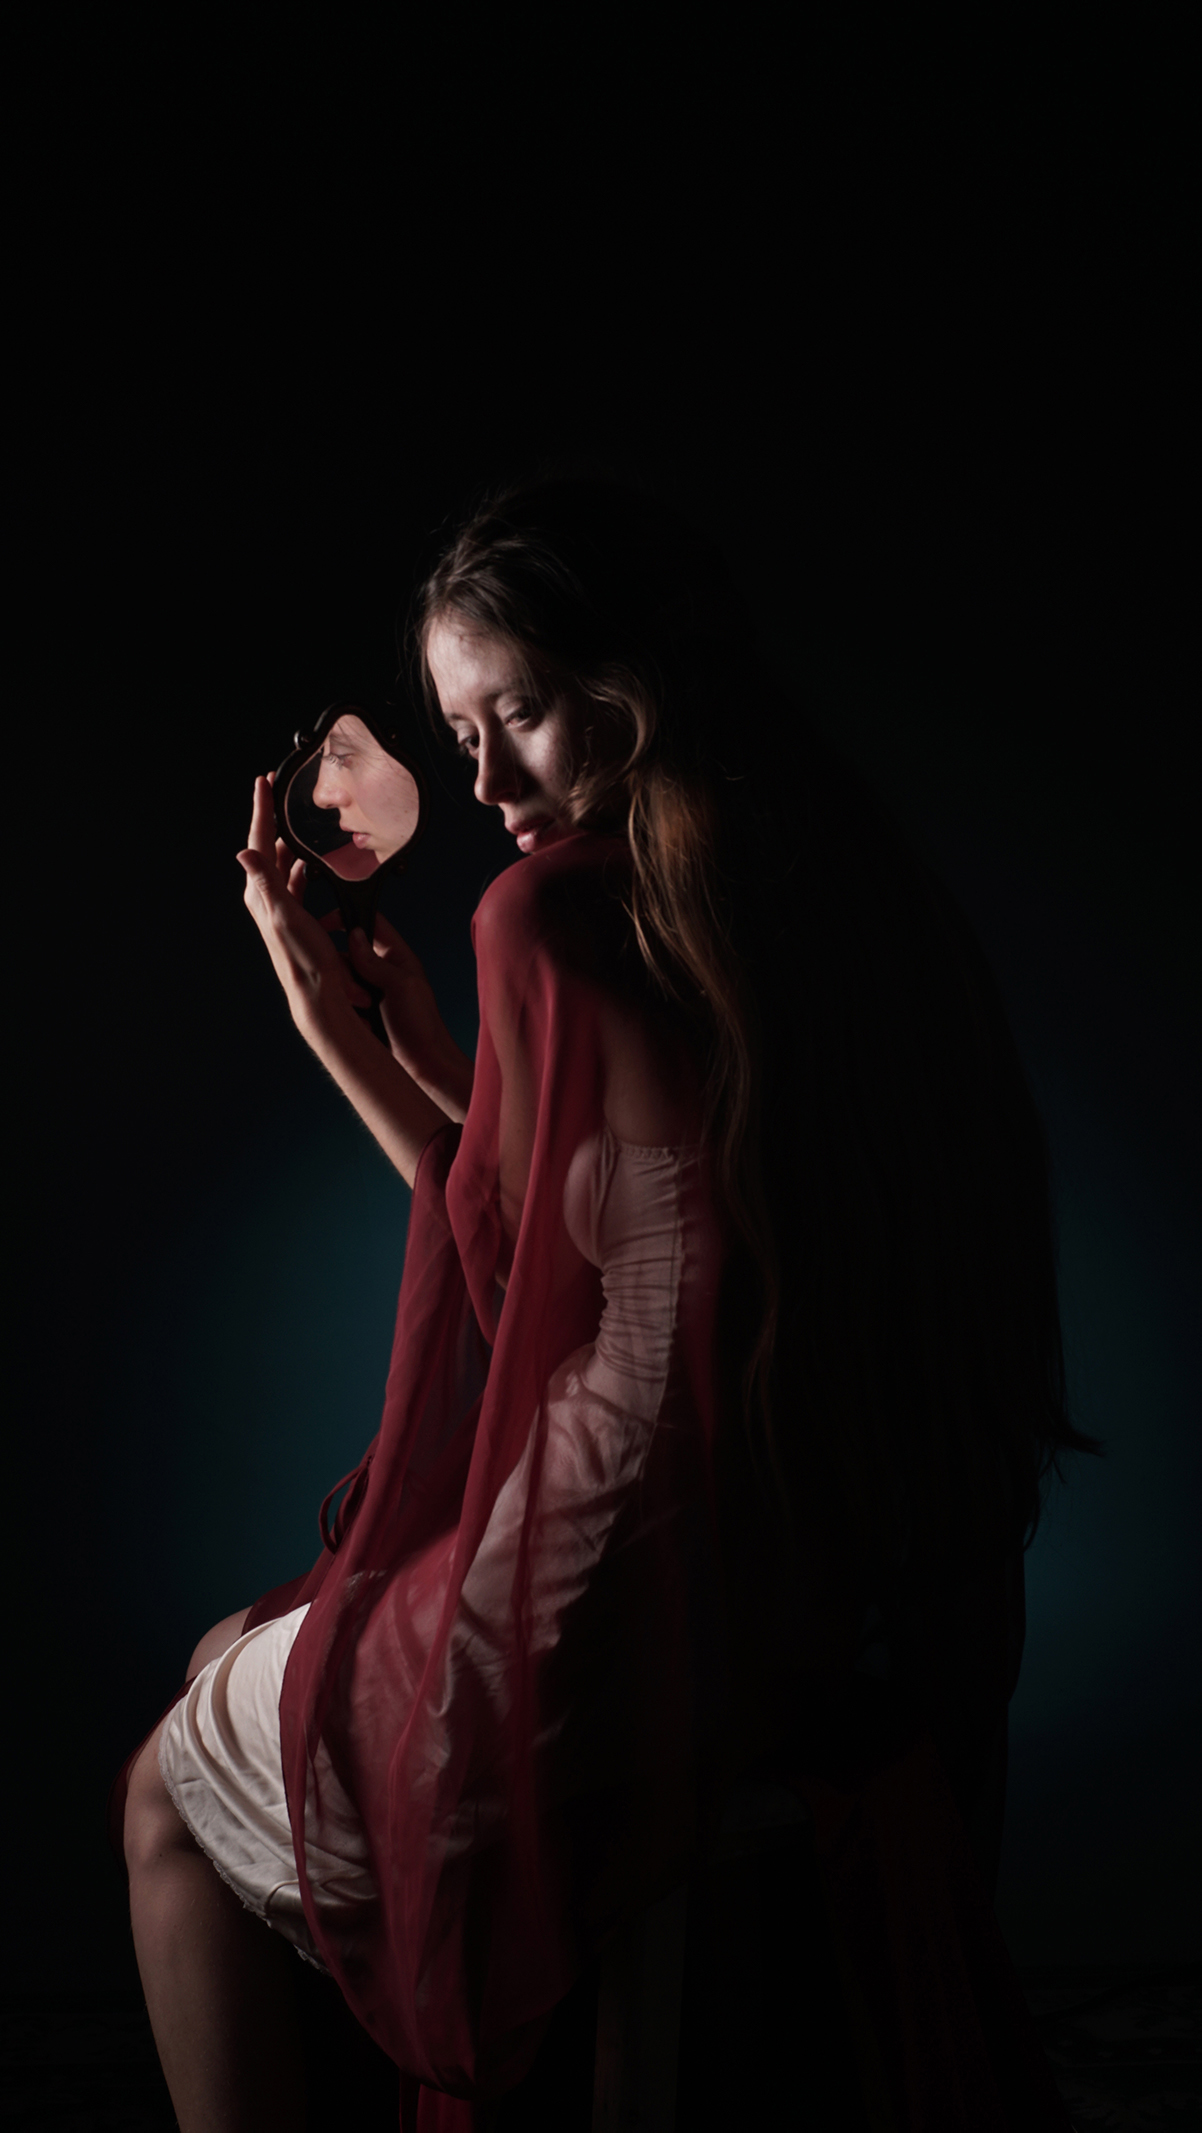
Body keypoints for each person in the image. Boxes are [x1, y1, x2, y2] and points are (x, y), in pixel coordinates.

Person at [118, 476, 1091, 2130]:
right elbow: (634, 1223)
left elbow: (514, 1282)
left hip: (642, 1543)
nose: (486, 779)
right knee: (251, 1656)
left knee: (167, 1784)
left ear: (634, 681)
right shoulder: (843, 886)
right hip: (814, 1548)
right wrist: (440, 1050)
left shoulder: (551, 907)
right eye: (458, 733)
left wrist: (325, 1021)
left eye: (520, 714)